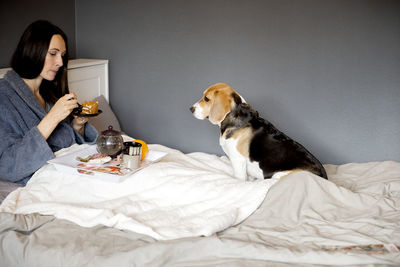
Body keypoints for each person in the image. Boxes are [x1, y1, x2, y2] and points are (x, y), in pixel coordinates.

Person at [0, 20, 98, 184]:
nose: (60, 62)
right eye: (53, 53)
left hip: (73, 167)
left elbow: (66, 141)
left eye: (62, 55)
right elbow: (7, 166)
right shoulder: (4, 98)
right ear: (32, 51)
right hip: (47, 179)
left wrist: (77, 126)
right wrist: (52, 118)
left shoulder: (50, 91)